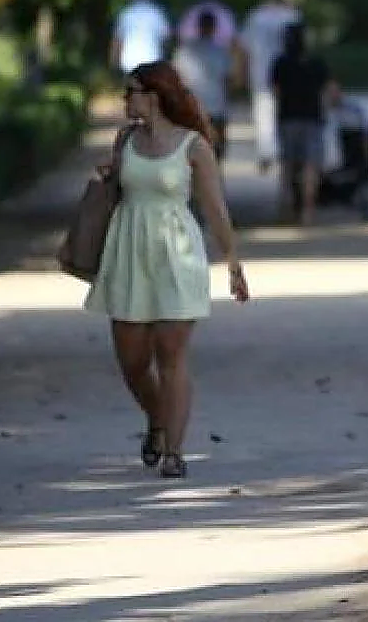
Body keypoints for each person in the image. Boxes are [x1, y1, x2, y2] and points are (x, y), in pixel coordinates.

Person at [84, 61, 250, 478]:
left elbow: (215, 207)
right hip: (127, 252)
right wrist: (108, 173)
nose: (125, 99)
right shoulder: (125, 139)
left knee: (171, 357)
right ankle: (158, 420)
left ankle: (174, 451)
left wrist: (233, 261)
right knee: (133, 362)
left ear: (154, 95)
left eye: (131, 91)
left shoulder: (193, 146)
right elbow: (119, 187)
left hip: (177, 256)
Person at [270, 22, 339, 226]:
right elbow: (331, 90)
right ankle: (308, 210)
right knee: (310, 165)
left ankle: (287, 207)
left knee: (288, 164)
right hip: (313, 118)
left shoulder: (280, 63)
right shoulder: (317, 63)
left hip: (287, 117)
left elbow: (275, 91)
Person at [238, 0, 301, 172]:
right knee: (288, 111)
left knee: (263, 111)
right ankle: (287, 150)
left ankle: (266, 152)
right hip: (288, 71)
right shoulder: (292, 16)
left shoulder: (256, 17)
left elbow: (244, 47)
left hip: (261, 69)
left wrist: (242, 71)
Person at [172, 9, 239, 162]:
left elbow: (176, 80)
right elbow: (229, 79)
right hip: (216, 106)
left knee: (191, 147)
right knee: (217, 148)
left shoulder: (184, 52)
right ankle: (212, 177)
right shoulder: (221, 52)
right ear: (214, 28)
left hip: (192, 106)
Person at [110, 0, 173, 76]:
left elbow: (117, 40)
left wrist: (114, 62)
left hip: (130, 62)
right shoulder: (157, 12)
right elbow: (167, 38)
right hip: (152, 60)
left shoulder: (126, 13)